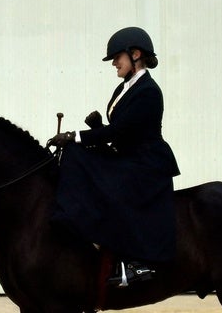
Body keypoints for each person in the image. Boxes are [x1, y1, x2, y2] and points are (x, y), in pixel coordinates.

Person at [48, 26, 180, 287]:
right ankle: (72, 220)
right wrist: (98, 128)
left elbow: (122, 130)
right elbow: (123, 131)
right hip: (128, 156)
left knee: (82, 157)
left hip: (146, 163)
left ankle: (136, 264)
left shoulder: (149, 91)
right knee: (75, 155)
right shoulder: (125, 87)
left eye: (117, 58)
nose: (114, 64)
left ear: (135, 54)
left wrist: (77, 135)